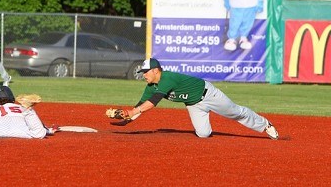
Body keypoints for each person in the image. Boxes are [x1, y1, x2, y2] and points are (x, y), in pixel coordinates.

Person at [112, 58, 279, 140]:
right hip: (193, 104)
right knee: (203, 134)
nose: (144, 75)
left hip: (208, 94)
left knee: (235, 112)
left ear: (156, 70)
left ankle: (265, 125)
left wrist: (133, 111)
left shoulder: (167, 78)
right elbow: (141, 105)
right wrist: (126, 119)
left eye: (146, 72)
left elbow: (153, 102)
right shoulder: (150, 86)